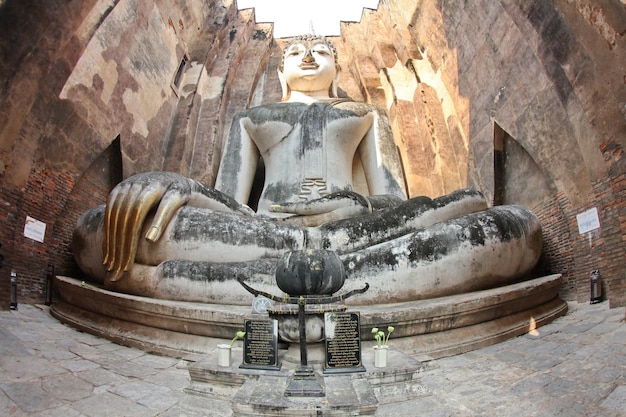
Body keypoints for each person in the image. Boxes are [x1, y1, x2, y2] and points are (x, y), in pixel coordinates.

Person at [73, 35, 542, 304]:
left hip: (356, 232)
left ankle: (233, 287)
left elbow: (396, 200)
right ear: (282, 70)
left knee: (508, 224)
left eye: (320, 49)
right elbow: (232, 202)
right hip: (266, 235)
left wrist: (353, 204)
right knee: (98, 231)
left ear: (336, 65)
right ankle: (349, 283)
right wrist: (178, 186)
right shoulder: (252, 118)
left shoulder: (360, 113)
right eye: (297, 52)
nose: (308, 55)